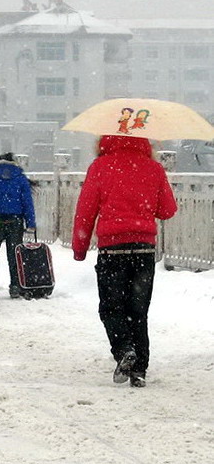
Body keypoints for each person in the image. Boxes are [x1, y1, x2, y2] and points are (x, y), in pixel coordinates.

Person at [72, 135, 176, 388]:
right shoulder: (154, 168)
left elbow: (86, 210)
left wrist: (80, 247)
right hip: (144, 250)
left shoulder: (101, 167)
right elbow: (167, 210)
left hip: (112, 250)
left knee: (111, 308)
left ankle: (124, 350)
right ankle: (139, 369)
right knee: (138, 311)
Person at [0, 153, 36, 299]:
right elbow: (27, 202)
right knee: (14, 255)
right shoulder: (20, 177)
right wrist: (31, 222)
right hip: (15, 220)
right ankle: (15, 287)